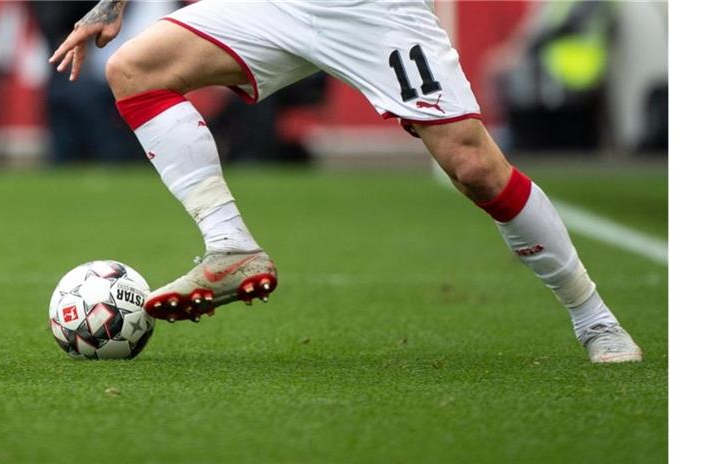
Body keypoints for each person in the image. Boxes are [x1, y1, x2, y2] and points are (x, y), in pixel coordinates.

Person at [49, 0, 641, 363]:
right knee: (135, 70)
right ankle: (231, 247)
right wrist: (110, 4)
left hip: (376, 13)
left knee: (475, 168)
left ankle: (596, 320)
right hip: (280, 6)